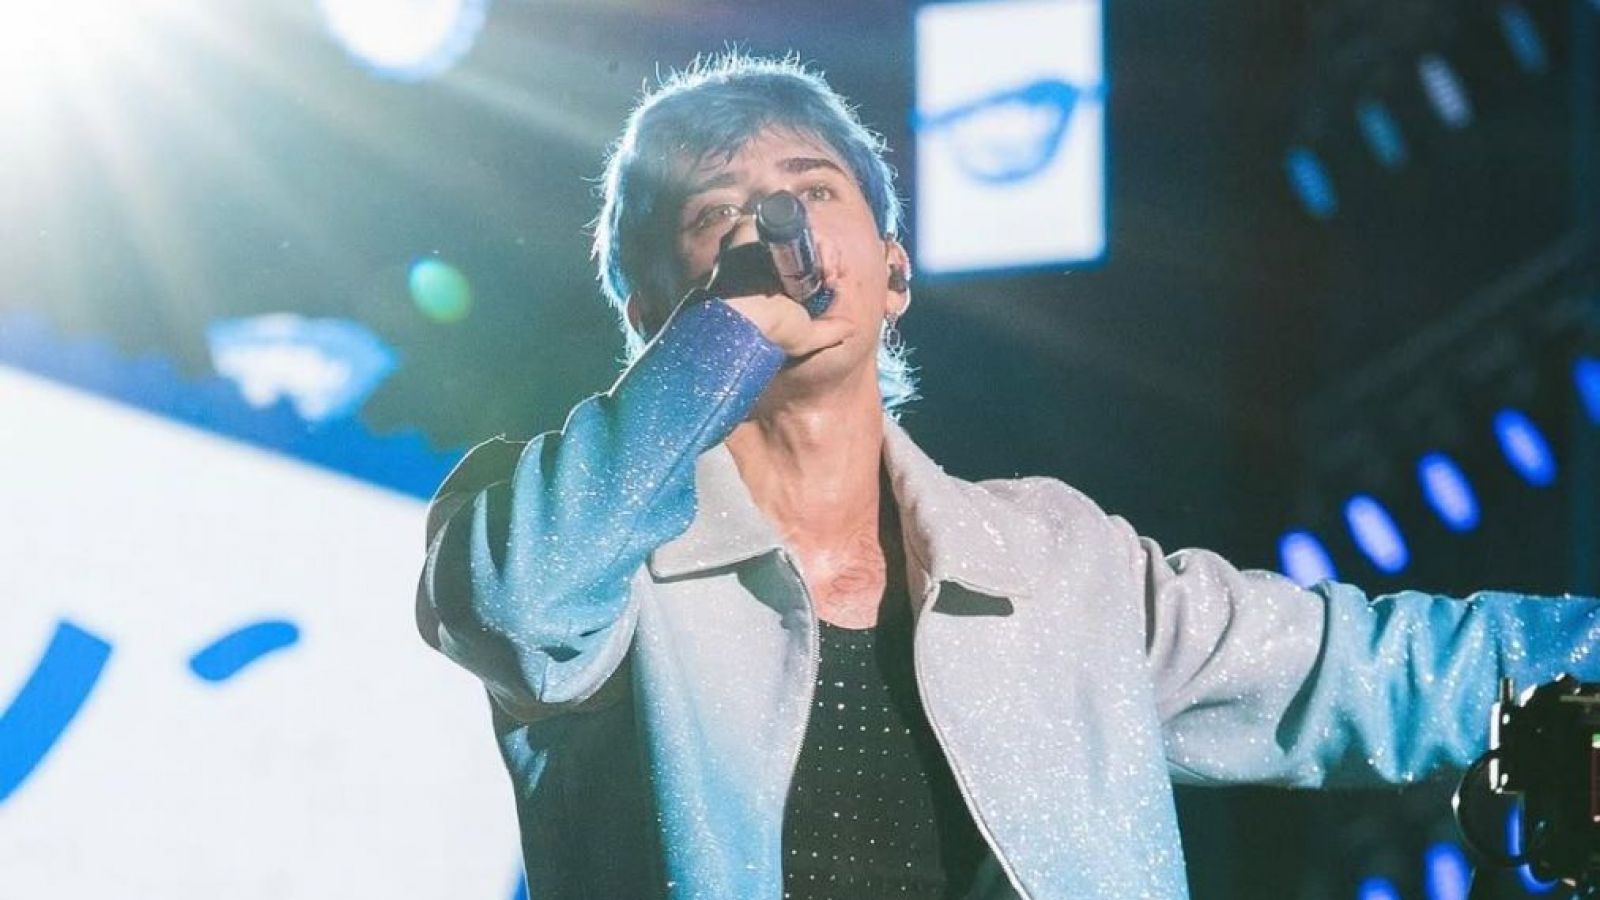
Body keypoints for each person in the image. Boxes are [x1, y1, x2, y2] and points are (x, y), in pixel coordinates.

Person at [415, 53, 1600, 900]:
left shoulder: (1055, 564)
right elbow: (517, 608)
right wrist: (725, 336)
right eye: (713, 215)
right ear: (649, 313)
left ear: (893, 271)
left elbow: (1364, 669)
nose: (771, 227)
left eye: (811, 191)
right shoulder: (557, 529)